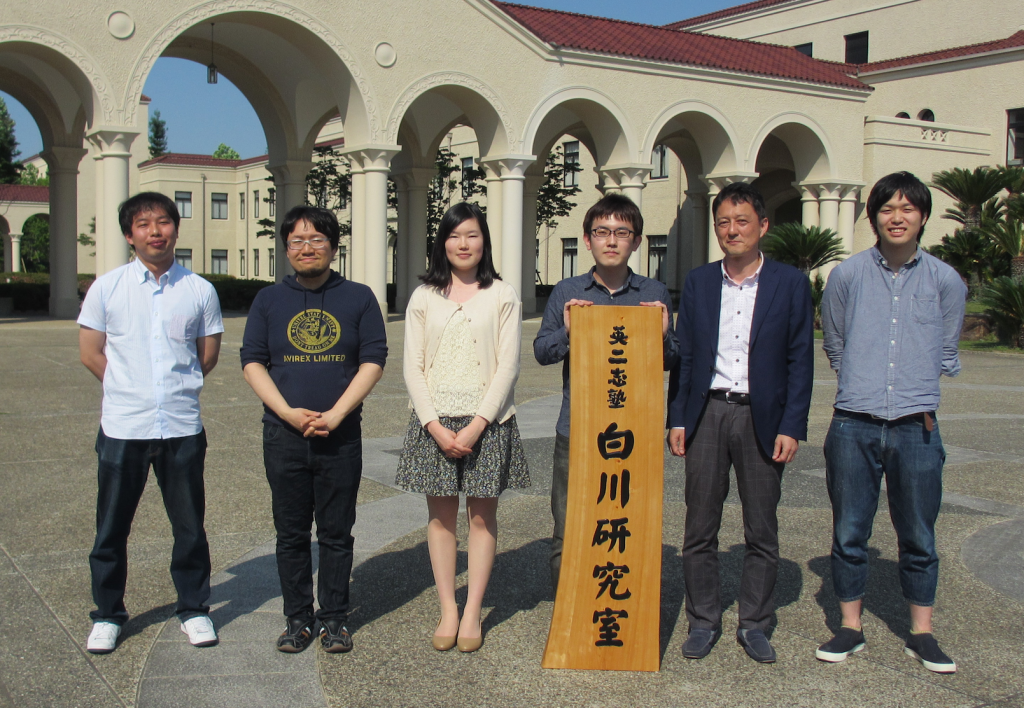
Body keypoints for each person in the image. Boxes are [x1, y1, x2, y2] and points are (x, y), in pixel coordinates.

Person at [815, 172, 966, 673]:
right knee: (849, 531)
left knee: (919, 533)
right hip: (853, 422)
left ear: (923, 217)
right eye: (886, 209)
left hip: (916, 425)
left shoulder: (945, 280)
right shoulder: (848, 275)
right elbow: (835, 341)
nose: (896, 218)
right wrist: (862, 383)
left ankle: (921, 633)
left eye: (907, 209)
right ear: (873, 216)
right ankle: (850, 626)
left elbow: (946, 348)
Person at [667, 181, 814, 664]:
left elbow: (800, 360)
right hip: (707, 412)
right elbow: (687, 356)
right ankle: (703, 620)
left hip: (762, 418)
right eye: (724, 223)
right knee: (699, 527)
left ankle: (754, 623)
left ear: (763, 225)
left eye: (742, 221)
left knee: (761, 529)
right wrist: (677, 417)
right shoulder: (699, 282)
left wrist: (792, 425)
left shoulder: (789, 284)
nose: (732, 230)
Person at [78, 192, 224, 654]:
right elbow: (91, 353)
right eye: (143, 224)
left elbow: (206, 356)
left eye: (163, 222)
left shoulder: (199, 289)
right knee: (111, 528)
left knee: (189, 527)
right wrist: (130, 389)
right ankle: (107, 614)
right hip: (123, 427)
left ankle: (194, 608)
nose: (155, 231)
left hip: (181, 426)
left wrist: (171, 389)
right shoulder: (107, 288)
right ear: (129, 234)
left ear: (176, 229)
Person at [240, 206, 387, 654]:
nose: (307, 248)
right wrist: (287, 412)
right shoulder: (268, 300)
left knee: (336, 532)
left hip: (340, 436)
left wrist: (338, 413)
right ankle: (298, 618)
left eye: (317, 239)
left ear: (334, 246)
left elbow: (373, 359)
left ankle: (335, 618)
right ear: (287, 249)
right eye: (297, 241)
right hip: (283, 436)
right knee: (290, 533)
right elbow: (252, 361)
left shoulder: (359, 297)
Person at [396, 202, 529, 653]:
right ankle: (448, 609)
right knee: (440, 518)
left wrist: (476, 425)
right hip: (434, 422)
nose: (463, 244)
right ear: (443, 243)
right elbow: (412, 367)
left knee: (481, 517)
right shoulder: (423, 296)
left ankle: (472, 611)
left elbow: (508, 366)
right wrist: (433, 425)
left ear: (484, 241)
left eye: (472, 235)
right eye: (454, 236)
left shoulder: (503, 294)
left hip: (487, 423)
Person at [534, 193, 678, 593]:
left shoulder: (653, 293)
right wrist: (568, 330)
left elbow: (672, 360)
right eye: (602, 232)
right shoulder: (567, 291)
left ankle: (620, 605)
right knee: (569, 524)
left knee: (627, 522)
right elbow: (542, 352)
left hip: (634, 435)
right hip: (578, 430)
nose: (611, 240)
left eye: (622, 232)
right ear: (587, 240)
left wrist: (663, 336)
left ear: (637, 241)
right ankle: (570, 610)